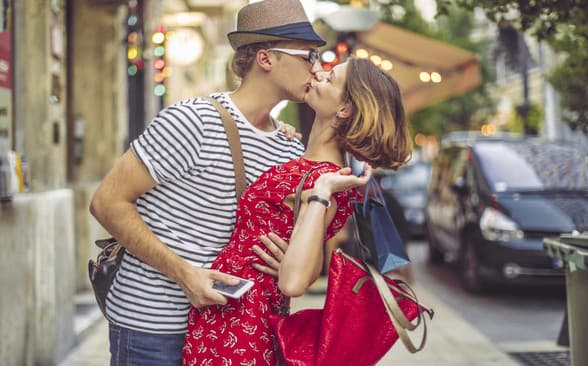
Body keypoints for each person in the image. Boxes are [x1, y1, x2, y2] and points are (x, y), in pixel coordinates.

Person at [89, 0, 327, 364]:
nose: (316, 67)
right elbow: (106, 203)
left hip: (229, 336)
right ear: (266, 59)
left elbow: (295, 257)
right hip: (154, 328)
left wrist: (287, 264)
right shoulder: (193, 121)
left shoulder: (287, 149)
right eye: (308, 56)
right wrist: (184, 274)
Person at [183, 57, 412, 365]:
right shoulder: (306, 161)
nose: (318, 74)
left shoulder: (326, 180)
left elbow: (294, 283)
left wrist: (320, 194)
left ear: (343, 109)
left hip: (245, 325)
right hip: (227, 313)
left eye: (330, 79)